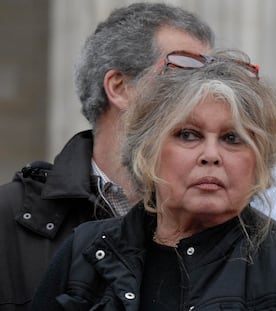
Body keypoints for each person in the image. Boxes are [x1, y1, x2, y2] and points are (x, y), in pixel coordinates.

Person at [31, 50, 276, 310]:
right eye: (188, 135)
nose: (211, 155)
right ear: (148, 151)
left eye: (232, 138)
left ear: (258, 163)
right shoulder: (85, 249)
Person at [0, 3, 214, 310]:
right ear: (119, 87)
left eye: (212, 78)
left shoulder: (234, 224)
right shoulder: (9, 220)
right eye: (183, 72)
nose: (206, 96)